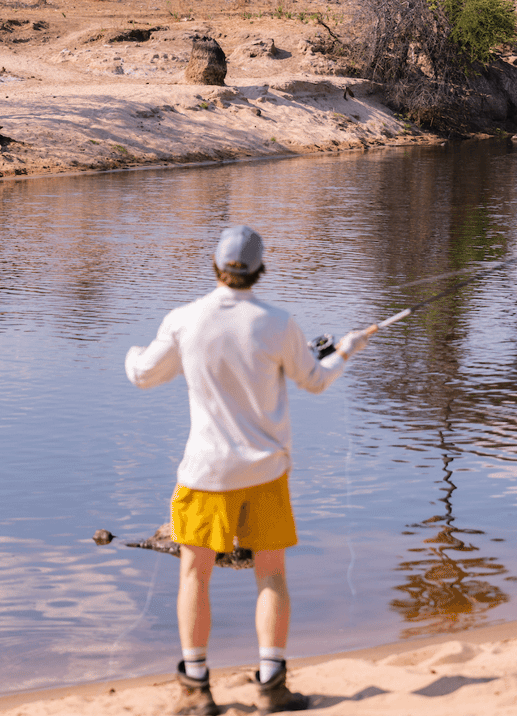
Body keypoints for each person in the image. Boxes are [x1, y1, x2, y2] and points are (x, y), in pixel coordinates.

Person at [124, 225, 372, 715]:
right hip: (265, 473)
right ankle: (272, 686)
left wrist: (131, 355)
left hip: (205, 475)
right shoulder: (279, 322)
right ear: (260, 270)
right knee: (271, 573)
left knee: (195, 574)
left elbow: (143, 375)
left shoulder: (184, 320)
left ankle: (196, 689)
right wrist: (347, 348)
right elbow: (315, 381)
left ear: (216, 266)